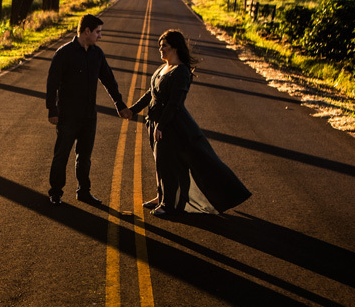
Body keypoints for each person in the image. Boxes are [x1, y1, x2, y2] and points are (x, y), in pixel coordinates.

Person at [128, 29, 251, 217]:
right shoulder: (163, 68)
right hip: (154, 123)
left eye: (164, 46)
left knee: (169, 164)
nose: (160, 49)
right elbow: (150, 94)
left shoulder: (181, 71)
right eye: (160, 45)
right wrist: (132, 110)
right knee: (159, 162)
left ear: (175, 47)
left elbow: (174, 103)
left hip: (171, 126)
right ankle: (160, 195)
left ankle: (168, 204)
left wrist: (161, 126)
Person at [45, 14, 133, 205]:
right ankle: (56, 192)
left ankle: (84, 192)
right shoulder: (64, 53)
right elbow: (52, 84)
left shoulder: (97, 54)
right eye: (98, 32)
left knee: (84, 157)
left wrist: (119, 104)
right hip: (67, 116)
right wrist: (52, 110)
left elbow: (109, 80)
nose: (100, 36)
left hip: (89, 116)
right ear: (87, 31)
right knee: (61, 155)